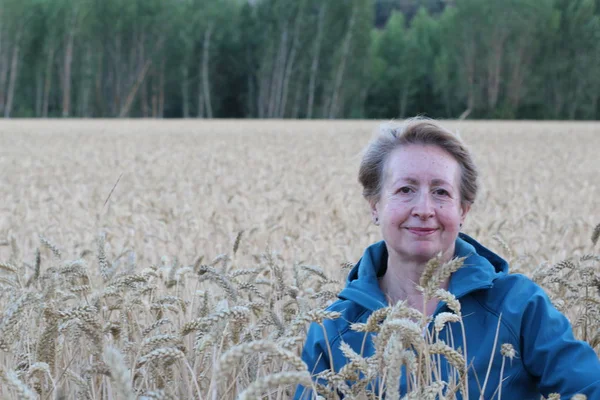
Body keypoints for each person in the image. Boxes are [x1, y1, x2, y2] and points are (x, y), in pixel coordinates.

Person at [295, 118, 600, 399]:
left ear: (463, 211)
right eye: (405, 189)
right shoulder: (333, 330)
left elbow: (588, 388)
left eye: (441, 192)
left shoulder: (518, 306)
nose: (424, 209)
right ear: (375, 206)